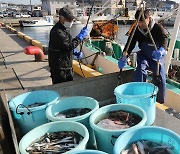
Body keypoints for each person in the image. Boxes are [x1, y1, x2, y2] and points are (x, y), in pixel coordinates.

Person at [118, 9, 168, 104]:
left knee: (161, 77)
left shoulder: (158, 28)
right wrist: (124, 56)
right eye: (139, 22)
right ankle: (139, 96)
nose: (141, 24)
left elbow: (164, 40)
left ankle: (159, 101)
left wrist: (161, 51)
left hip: (156, 56)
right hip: (144, 55)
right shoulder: (136, 29)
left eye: (143, 22)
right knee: (139, 71)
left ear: (148, 18)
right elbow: (130, 43)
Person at [48, 7, 88, 84]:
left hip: (66, 65)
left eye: (72, 19)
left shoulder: (64, 29)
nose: (71, 21)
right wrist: (80, 37)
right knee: (62, 88)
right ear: (61, 18)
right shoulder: (57, 32)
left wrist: (73, 52)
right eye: (69, 19)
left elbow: (63, 46)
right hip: (59, 68)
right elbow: (68, 45)